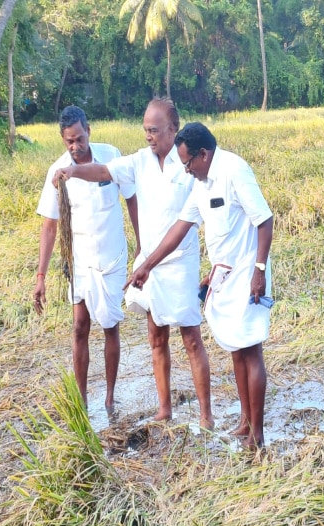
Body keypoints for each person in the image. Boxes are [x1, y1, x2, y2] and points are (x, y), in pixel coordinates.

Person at [53, 99, 214, 430]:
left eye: (154, 130)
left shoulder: (187, 166)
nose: (148, 137)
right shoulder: (139, 161)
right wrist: (73, 171)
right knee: (156, 336)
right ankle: (164, 408)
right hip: (148, 265)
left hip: (179, 263)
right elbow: (104, 171)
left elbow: (205, 216)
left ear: (173, 129)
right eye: (145, 131)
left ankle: (206, 415)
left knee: (191, 338)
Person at [125, 122, 274, 450]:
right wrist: (146, 266)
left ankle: (258, 435)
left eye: (188, 162)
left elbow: (264, 220)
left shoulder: (235, 170)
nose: (186, 170)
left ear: (203, 154)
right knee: (236, 350)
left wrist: (259, 271)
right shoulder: (201, 183)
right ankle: (245, 421)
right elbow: (180, 227)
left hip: (249, 274)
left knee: (251, 351)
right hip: (224, 275)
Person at [34, 105, 140, 411]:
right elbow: (50, 226)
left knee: (110, 325)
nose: (75, 146)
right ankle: (81, 398)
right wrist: (40, 276)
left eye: (79, 138)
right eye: (69, 141)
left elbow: (131, 199)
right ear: (62, 139)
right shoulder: (57, 173)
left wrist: (140, 243)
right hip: (80, 258)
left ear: (88, 130)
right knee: (80, 325)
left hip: (112, 256)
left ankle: (109, 396)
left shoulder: (111, 156)